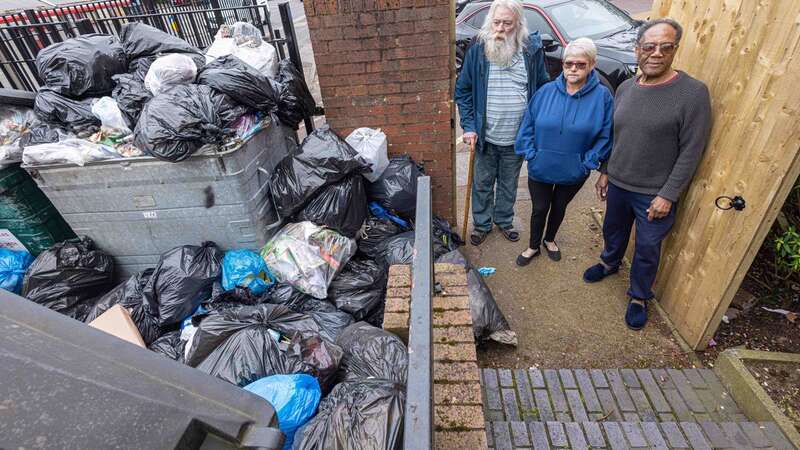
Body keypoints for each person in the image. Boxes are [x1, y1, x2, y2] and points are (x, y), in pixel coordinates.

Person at [583, 18, 712, 330]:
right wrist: (605, 171)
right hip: (619, 182)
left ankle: (639, 295)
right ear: (637, 49)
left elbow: (691, 151)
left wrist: (668, 195)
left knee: (647, 248)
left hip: (653, 193)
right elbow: (618, 136)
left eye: (665, 47)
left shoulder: (692, 93)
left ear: (674, 50)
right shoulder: (627, 87)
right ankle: (609, 262)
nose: (656, 53)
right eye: (649, 47)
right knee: (613, 230)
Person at [455, 0, 549, 246]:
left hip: (517, 137)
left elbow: (541, 90)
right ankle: (483, 224)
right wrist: (469, 126)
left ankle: (504, 221)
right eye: (496, 22)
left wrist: (535, 129)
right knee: (482, 183)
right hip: (485, 136)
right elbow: (463, 91)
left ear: (518, 24)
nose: (500, 28)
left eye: (507, 23)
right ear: (490, 22)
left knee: (509, 184)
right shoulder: (478, 51)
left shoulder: (531, 50)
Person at [514, 38, 613, 265]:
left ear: (592, 64)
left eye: (580, 64)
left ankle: (550, 239)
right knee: (539, 208)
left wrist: (586, 163)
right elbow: (527, 126)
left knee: (559, 207)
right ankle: (533, 246)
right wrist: (531, 154)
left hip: (574, 170)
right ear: (563, 64)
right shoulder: (546, 91)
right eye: (569, 64)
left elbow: (606, 136)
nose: (573, 69)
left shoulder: (602, 97)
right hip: (541, 166)